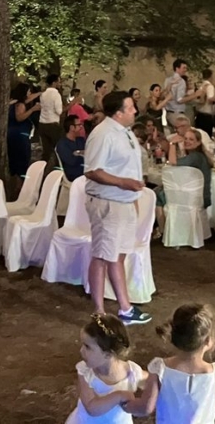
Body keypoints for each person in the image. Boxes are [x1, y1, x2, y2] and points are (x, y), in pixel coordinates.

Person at [84, 91, 151, 325]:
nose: (135, 110)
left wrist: (132, 195)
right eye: (131, 107)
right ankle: (99, 312)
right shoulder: (103, 134)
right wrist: (124, 183)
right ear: (119, 112)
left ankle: (125, 308)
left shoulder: (126, 132)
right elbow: (92, 170)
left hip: (123, 202)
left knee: (118, 255)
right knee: (102, 255)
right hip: (107, 203)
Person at [124, 303, 215, 423]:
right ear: (208, 341)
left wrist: (124, 403)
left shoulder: (160, 368)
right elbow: (212, 407)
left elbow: (146, 407)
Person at [66, 313, 147, 424]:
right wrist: (119, 396)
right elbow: (91, 407)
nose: (81, 351)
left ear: (108, 354)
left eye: (87, 347)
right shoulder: (85, 372)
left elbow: (153, 382)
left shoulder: (131, 372)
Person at [6, 83, 41, 178]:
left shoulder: (13, 102)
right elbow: (19, 117)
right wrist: (32, 109)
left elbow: (29, 98)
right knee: (22, 159)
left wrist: (40, 93)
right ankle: (20, 182)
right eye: (28, 91)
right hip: (19, 136)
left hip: (12, 133)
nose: (30, 93)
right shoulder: (20, 105)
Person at [39, 74, 65, 168]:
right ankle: (60, 170)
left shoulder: (43, 94)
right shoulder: (56, 94)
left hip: (42, 123)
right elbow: (59, 111)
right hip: (53, 124)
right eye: (58, 81)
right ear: (54, 82)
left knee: (46, 152)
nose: (59, 83)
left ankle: (41, 170)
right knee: (59, 149)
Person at [56, 115, 87, 182]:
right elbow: (72, 161)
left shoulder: (80, 140)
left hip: (86, 170)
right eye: (79, 125)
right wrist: (82, 153)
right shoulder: (62, 144)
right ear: (72, 127)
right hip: (74, 174)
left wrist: (78, 153)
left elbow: (89, 152)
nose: (81, 127)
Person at [164, 60, 192, 126]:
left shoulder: (167, 80)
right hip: (177, 114)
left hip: (168, 113)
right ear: (177, 68)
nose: (185, 70)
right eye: (184, 68)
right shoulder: (181, 81)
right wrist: (194, 95)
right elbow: (179, 100)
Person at [193, 70, 215, 137]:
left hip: (199, 114)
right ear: (211, 76)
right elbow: (210, 99)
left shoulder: (201, 86)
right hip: (206, 115)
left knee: (199, 135)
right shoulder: (210, 86)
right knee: (206, 136)